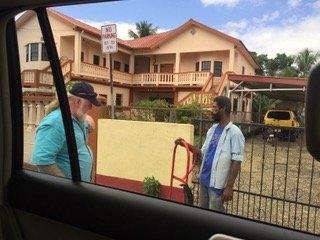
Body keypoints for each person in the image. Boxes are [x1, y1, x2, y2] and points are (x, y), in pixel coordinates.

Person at [175, 96, 245, 212]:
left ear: (223, 109)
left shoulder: (234, 132)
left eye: (214, 107)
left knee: (216, 216)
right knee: (204, 213)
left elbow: (237, 160)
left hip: (217, 185)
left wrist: (229, 187)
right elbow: (203, 152)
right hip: (204, 179)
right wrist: (186, 145)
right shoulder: (212, 129)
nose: (211, 110)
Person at [30, 81, 101, 182]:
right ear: (78, 102)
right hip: (64, 192)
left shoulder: (78, 118)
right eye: (89, 104)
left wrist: (89, 121)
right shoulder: (56, 122)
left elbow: (89, 126)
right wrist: (65, 185)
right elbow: (42, 160)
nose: (90, 108)